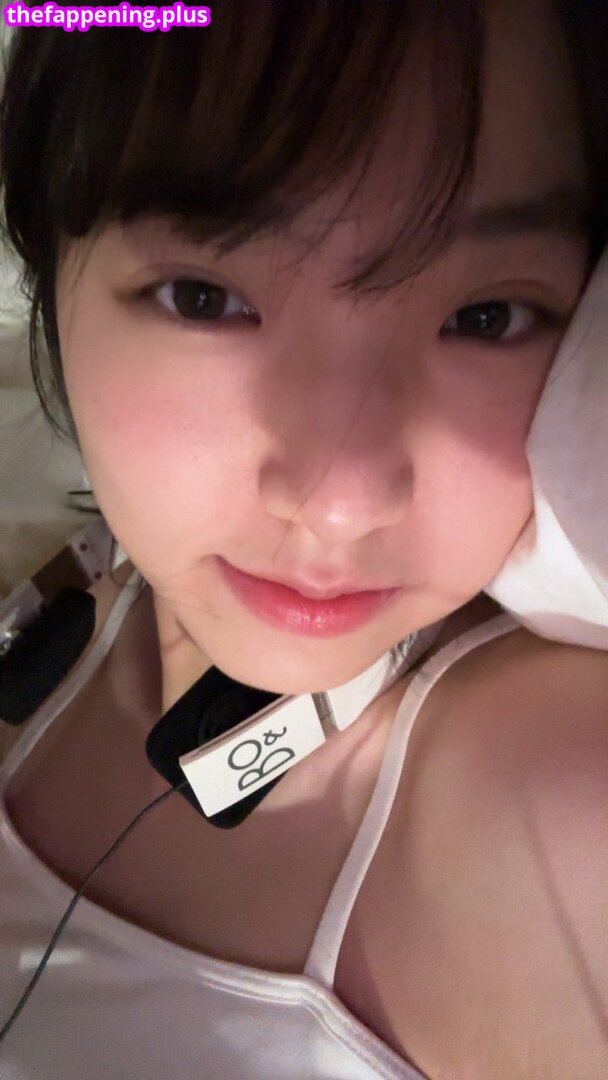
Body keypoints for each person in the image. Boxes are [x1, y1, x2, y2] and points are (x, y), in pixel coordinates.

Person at [0, 1, 607, 1076]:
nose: (339, 504)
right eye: (204, 297)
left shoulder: (556, 805)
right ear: (52, 265)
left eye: (486, 318)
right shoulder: (55, 601)